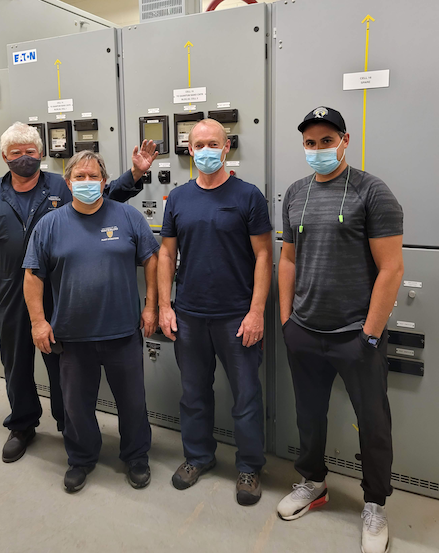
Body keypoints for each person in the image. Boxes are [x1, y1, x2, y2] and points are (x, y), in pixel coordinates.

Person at [0, 122, 158, 464]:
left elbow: (104, 198)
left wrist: (135, 174)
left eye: (30, 152)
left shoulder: (62, 186)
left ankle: (68, 425)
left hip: (62, 292)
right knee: (15, 360)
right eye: (15, 153)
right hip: (13, 288)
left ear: (42, 154)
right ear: (4, 156)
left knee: (63, 367)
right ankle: (22, 425)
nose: (24, 158)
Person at [277, 106, 404, 553]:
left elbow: (391, 269)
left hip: (356, 334)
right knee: (309, 416)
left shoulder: (372, 192)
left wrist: (370, 334)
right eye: (310, 143)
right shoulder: (295, 193)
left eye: (325, 142)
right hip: (305, 331)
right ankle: (313, 482)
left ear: (344, 141)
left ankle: (375, 504)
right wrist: (286, 320)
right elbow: (288, 259)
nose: (317, 150)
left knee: (372, 422)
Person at [23, 150, 159, 493]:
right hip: (72, 334)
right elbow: (33, 276)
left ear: (104, 181)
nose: (87, 182)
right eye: (79, 177)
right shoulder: (50, 225)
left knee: (132, 401)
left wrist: (151, 306)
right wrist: (39, 322)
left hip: (123, 332)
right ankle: (81, 458)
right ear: (68, 183)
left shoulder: (128, 217)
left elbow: (152, 260)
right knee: (76, 405)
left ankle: (136, 455)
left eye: (93, 176)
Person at [158, 119, 272, 506]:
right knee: (193, 395)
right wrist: (163, 306)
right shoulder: (178, 199)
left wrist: (257, 312)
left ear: (227, 148)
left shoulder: (248, 196)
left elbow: (263, 256)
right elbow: (166, 254)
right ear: (190, 150)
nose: (206, 150)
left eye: (214, 143)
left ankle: (249, 467)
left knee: (245, 396)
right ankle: (198, 457)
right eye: (199, 144)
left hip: (236, 316)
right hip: (189, 315)